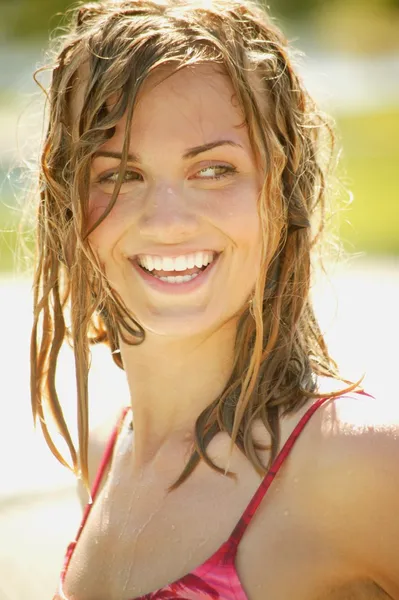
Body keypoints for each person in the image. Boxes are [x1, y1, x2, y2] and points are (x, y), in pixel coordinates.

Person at [29, 0, 399, 598]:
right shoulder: (103, 453)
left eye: (214, 170)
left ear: (283, 189)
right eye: (119, 175)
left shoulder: (359, 461)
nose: (167, 221)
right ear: (68, 207)